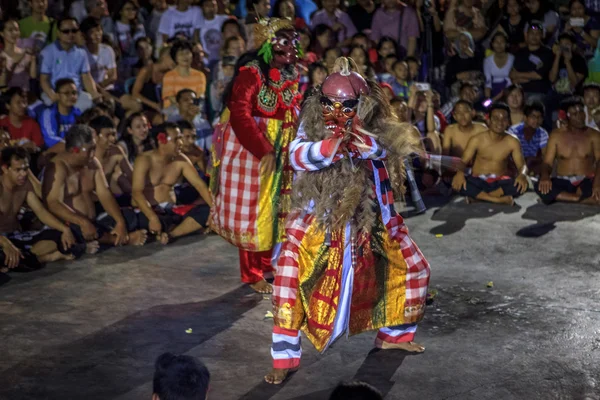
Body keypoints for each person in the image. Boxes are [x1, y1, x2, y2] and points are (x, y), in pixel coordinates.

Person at [265, 57, 430, 385]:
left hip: (372, 222)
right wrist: (330, 147)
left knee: (414, 270)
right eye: (328, 103)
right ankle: (284, 358)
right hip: (317, 224)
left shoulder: (377, 125)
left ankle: (393, 335)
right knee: (287, 285)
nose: (336, 112)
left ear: (362, 104)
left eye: (346, 105)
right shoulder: (310, 124)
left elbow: (387, 148)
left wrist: (363, 144)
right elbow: (297, 154)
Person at [209, 18, 302, 294]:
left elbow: (289, 110)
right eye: (284, 41)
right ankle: (251, 273)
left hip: (280, 145)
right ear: (267, 45)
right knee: (254, 209)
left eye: (293, 41)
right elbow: (239, 112)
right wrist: (263, 150)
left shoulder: (289, 74)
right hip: (252, 149)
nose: (292, 47)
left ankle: (266, 264)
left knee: (275, 207)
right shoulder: (251, 74)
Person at [42, 124, 148, 248]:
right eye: (89, 150)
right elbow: (53, 203)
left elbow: (105, 194)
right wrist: (82, 221)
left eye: (94, 148)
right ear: (74, 150)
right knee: (77, 231)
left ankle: (114, 235)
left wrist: (120, 222)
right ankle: (122, 239)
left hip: (95, 219)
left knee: (131, 216)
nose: (93, 154)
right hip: (72, 223)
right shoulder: (57, 167)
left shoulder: (92, 163)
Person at [0, 147, 81, 284]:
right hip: (2, 241)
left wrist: (64, 229)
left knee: (63, 236)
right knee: (2, 256)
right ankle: (44, 258)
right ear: (5, 168)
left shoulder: (25, 184)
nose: (23, 174)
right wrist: (5, 243)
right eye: (18, 170)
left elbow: (41, 212)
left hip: (17, 236)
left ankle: (22, 259)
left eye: (25, 169)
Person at [131, 122, 212, 244]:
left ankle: (171, 234)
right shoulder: (144, 160)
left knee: (206, 211)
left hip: (172, 210)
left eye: (180, 138)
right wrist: (152, 217)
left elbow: (199, 185)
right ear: (162, 140)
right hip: (149, 212)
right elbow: (136, 193)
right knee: (139, 220)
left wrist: (215, 211)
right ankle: (179, 229)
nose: (181, 143)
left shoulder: (181, 159)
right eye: (176, 139)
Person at [452, 102, 528, 205]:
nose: (500, 122)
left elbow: (522, 165)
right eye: (496, 118)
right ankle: (498, 199)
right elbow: (463, 161)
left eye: (504, 119)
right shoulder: (477, 139)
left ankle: (479, 197)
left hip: (499, 182)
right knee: (458, 183)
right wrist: (459, 173)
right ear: (488, 120)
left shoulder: (513, 141)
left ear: (508, 122)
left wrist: (522, 175)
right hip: (478, 180)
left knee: (521, 184)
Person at [536, 97, 600, 205]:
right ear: (566, 116)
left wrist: (597, 184)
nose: (580, 116)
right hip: (563, 180)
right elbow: (547, 163)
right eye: (574, 114)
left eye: (581, 112)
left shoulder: (594, 135)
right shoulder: (556, 135)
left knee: (594, 186)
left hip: (586, 180)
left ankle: (563, 197)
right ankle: (580, 199)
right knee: (540, 186)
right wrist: (545, 176)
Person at [39, 16, 99, 111]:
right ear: (58, 33)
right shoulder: (47, 52)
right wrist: (53, 96)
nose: (70, 34)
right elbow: (44, 79)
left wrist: (95, 94)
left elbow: (86, 76)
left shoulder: (81, 53)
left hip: (75, 94)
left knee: (89, 103)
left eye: (74, 31)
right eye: (66, 31)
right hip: (55, 93)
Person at [89, 116, 133, 206]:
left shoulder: (116, 151)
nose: (113, 139)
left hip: (110, 199)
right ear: (95, 135)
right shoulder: (87, 157)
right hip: (92, 202)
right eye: (107, 135)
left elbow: (132, 176)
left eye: (114, 134)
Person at [509, 21, 554, 105]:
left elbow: (538, 75)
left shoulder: (547, 52)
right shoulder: (519, 52)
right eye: (532, 33)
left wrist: (519, 75)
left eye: (538, 33)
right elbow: (512, 75)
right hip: (520, 92)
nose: (534, 36)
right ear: (526, 35)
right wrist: (528, 77)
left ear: (542, 36)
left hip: (538, 92)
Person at [38, 78, 81, 153]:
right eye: (67, 93)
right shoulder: (48, 113)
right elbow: (49, 139)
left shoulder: (78, 114)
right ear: (57, 95)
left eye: (74, 93)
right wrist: (72, 146)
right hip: (55, 153)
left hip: (74, 152)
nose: (71, 96)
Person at [162, 40, 207, 110]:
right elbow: (171, 97)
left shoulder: (200, 75)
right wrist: (185, 108)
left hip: (193, 109)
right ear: (175, 58)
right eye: (181, 54)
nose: (185, 57)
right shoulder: (169, 76)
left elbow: (200, 96)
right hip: (174, 109)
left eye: (187, 53)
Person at [508, 101, 549, 176]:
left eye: (539, 117)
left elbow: (545, 157)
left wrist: (531, 160)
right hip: (514, 166)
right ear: (525, 117)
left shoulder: (543, 133)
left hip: (533, 166)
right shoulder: (513, 130)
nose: (536, 120)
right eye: (533, 117)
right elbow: (509, 155)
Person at [167, 89, 212, 153]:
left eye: (193, 100)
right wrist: (189, 118)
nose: (191, 102)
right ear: (177, 104)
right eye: (186, 100)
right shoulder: (171, 121)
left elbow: (210, 147)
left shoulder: (204, 123)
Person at [0, 87, 44, 152]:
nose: (23, 105)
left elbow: (38, 147)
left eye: (24, 102)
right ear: (8, 106)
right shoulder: (1, 124)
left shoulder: (32, 124)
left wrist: (33, 148)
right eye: (18, 103)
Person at [0, 18, 36, 92]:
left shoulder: (26, 52)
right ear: (2, 33)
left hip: (25, 93)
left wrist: (33, 59)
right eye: (10, 30)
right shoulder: (1, 56)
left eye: (16, 30)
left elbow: (32, 76)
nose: (14, 33)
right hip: (8, 95)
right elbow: (3, 83)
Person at [198, 0, 230, 67]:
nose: (211, 8)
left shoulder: (224, 19)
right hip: (206, 62)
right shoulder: (198, 23)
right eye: (207, 5)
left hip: (225, 61)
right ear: (202, 8)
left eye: (213, 5)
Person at [484, 31, 515, 101]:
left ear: (506, 44)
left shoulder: (512, 58)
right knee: (486, 104)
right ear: (492, 44)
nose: (499, 44)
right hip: (494, 89)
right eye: (496, 42)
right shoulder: (487, 60)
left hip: (510, 89)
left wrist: (507, 91)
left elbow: (514, 77)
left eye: (502, 42)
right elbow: (488, 81)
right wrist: (488, 99)